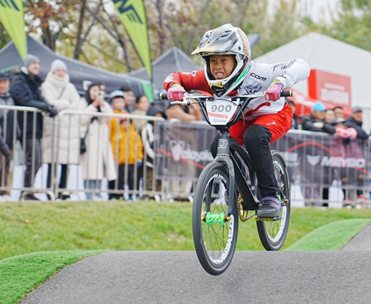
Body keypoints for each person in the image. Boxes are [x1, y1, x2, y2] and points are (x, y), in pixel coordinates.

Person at [164, 23, 310, 218]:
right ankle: (237, 186)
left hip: (274, 115)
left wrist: (280, 82)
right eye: (212, 61)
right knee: (218, 145)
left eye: (224, 60)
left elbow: (302, 65)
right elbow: (176, 76)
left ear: (239, 59)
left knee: (254, 136)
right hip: (240, 119)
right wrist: (174, 87)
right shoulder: (207, 78)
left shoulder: (259, 72)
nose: (217, 67)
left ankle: (270, 197)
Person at [10, 54, 58, 199]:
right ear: (27, 65)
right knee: (33, 160)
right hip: (25, 126)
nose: (37, 66)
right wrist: (46, 107)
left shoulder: (35, 82)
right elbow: (24, 99)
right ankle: (26, 192)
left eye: (38, 63)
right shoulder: (19, 80)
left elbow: (35, 99)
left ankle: (28, 191)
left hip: (35, 127)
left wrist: (47, 107)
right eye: (33, 64)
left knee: (36, 161)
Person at [41, 59, 81, 199]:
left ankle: (63, 190)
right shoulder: (46, 85)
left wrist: (63, 106)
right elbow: (51, 102)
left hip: (68, 128)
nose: (61, 73)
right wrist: (66, 103)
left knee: (66, 162)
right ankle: (50, 189)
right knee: (53, 160)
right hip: (53, 127)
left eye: (63, 70)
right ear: (53, 71)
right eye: (58, 70)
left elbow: (77, 104)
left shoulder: (70, 86)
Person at [78, 83, 116, 200]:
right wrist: (94, 105)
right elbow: (81, 118)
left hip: (102, 142)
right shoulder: (83, 102)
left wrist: (102, 104)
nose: (96, 93)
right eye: (94, 90)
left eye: (98, 91)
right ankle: (89, 195)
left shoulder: (104, 105)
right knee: (89, 169)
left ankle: (98, 194)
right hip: (89, 140)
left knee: (100, 168)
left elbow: (110, 117)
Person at [108, 90, 143, 200]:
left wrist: (139, 157)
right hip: (121, 159)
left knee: (132, 178)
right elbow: (112, 138)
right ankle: (118, 195)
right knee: (120, 178)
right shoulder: (112, 116)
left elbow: (139, 146)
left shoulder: (133, 133)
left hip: (131, 159)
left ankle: (132, 195)